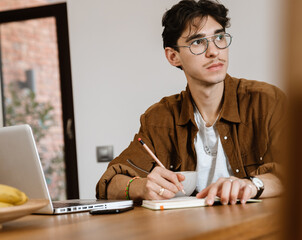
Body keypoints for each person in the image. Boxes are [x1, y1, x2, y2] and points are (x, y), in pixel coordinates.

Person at [96, 0, 285, 206]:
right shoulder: (160, 119)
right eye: (198, 42)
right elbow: (108, 183)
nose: (214, 51)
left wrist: (253, 185)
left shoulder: (265, 101)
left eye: (219, 37)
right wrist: (141, 187)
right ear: (173, 56)